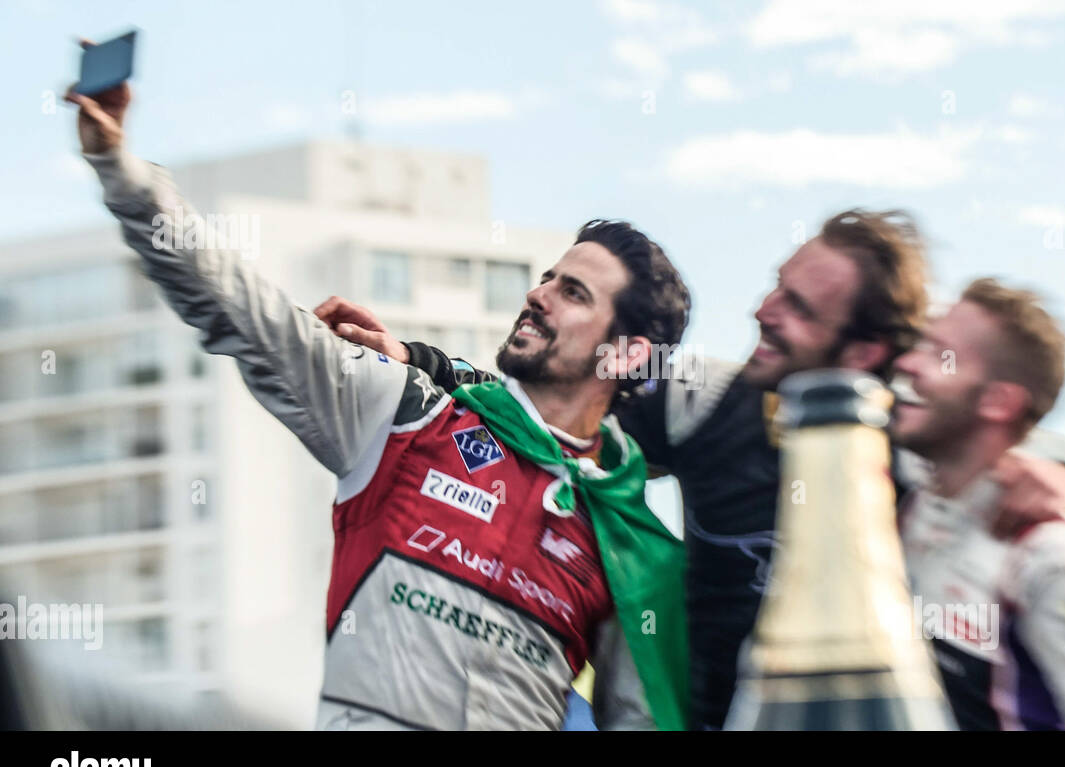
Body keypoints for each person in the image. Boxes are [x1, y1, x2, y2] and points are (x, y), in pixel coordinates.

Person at [317, 211, 1065, 729]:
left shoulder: (913, 466)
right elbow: (561, 396)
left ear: (867, 352)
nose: (761, 313)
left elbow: (1040, 510)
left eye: (798, 308)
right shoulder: (711, 399)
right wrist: (419, 362)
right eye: (775, 286)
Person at [65, 74, 693, 730]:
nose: (539, 295)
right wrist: (123, 171)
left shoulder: (640, 549)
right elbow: (239, 308)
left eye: (574, 293)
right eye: (546, 277)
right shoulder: (406, 414)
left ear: (626, 355)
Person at [891, 278, 1065, 729]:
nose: (907, 363)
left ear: (998, 401)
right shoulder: (896, 504)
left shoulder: (1055, 559)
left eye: (939, 355)